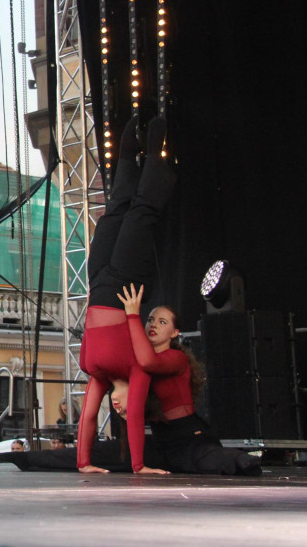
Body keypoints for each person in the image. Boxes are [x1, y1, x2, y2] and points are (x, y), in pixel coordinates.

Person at [76, 115, 174, 474]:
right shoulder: (140, 370)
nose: (117, 408)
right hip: (125, 287)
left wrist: (84, 462)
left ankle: (126, 155)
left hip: (98, 282)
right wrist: (139, 466)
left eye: (114, 409)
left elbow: (87, 420)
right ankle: (154, 154)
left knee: (113, 214)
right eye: (123, 407)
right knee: (140, 215)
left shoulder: (94, 372)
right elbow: (135, 419)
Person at [116, 284, 261, 475]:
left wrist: (133, 316)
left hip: (188, 438)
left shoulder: (177, 358)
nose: (153, 325)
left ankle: (248, 461)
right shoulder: (138, 363)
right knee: (107, 455)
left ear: (175, 333)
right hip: (160, 440)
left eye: (162, 322)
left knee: (217, 460)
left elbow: (148, 362)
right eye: (150, 320)